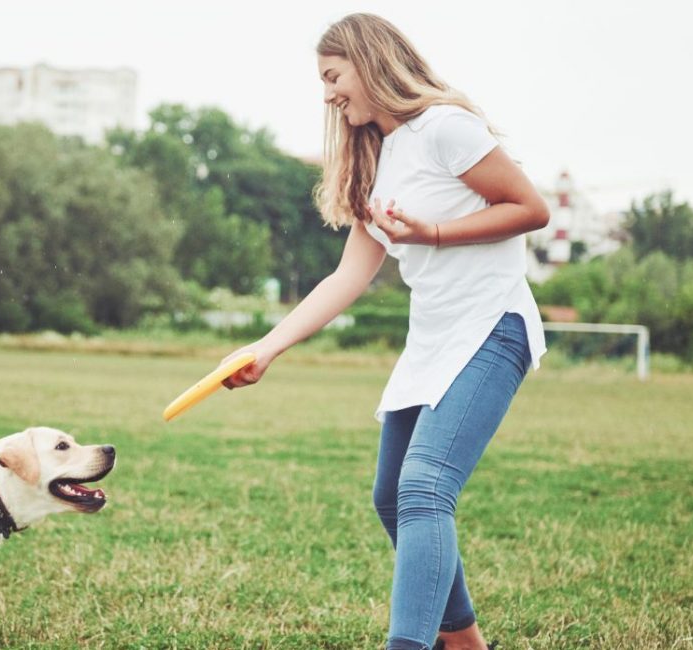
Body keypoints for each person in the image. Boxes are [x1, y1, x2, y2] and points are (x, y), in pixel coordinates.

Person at [219, 13, 550, 650]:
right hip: (432, 340)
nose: (327, 94)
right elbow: (347, 277)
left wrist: (432, 233)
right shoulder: (377, 158)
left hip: (492, 326)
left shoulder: (446, 127)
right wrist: (266, 349)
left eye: (333, 75)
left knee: (425, 487)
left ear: (370, 63)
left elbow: (530, 209)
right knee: (392, 499)